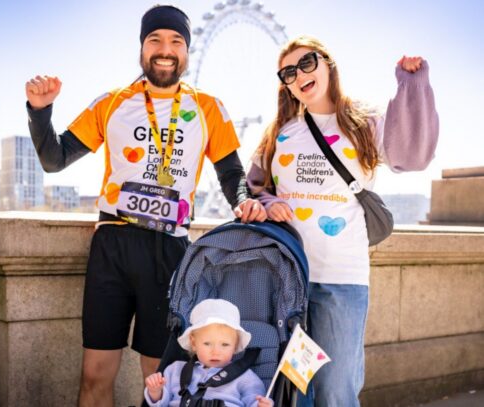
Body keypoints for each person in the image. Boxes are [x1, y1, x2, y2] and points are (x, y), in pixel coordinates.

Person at [24, 5, 266, 406]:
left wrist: (245, 203)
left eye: (175, 41)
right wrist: (40, 110)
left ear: (187, 51)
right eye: (155, 39)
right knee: (94, 373)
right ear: (142, 48)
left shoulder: (208, 107)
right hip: (113, 245)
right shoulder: (113, 102)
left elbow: (230, 174)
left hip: (170, 252)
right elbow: (55, 158)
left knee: (161, 378)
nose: (165, 49)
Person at [247, 35, 438, 406]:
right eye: (288, 72)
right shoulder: (279, 132)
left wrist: (411, 84)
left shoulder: (364, 123)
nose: (299, 74)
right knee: (292, 389)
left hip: (342, 280)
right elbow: (254, 186)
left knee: (336, 390)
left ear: (327, 64)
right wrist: (268, 203)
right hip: (287, 281)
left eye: (307, 63)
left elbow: (410, 157)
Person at [144, 299, 273, 407]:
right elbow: (161, 403)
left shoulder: (245, 378)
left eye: (225, 345)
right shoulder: (175, 370)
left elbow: (254, 400)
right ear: (194, 343)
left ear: (235, 346)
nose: (215, 351)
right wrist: (156, 392)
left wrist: (262, 405)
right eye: (207, 344)